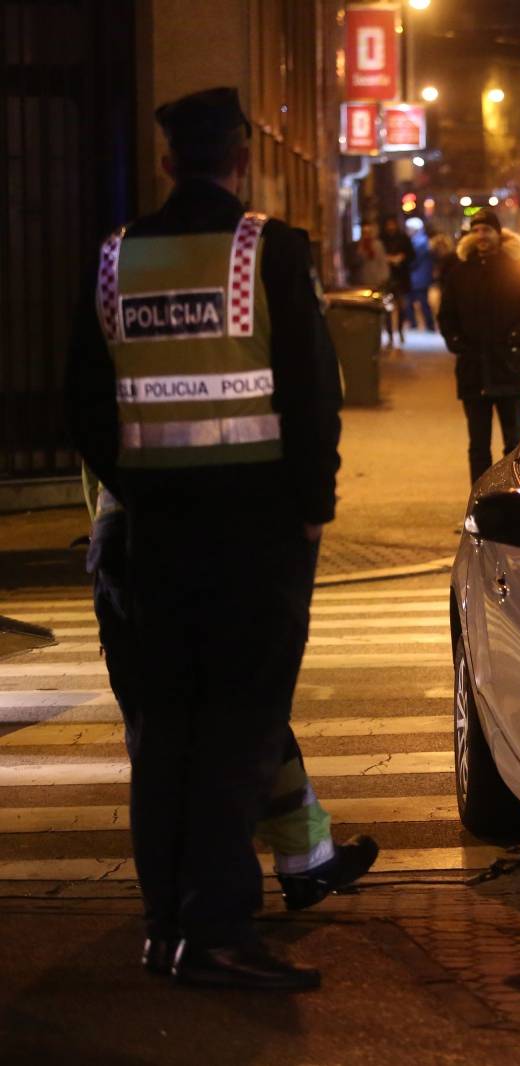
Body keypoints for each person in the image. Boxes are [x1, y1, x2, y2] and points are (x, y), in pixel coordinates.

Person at [65, 86, 342, 991]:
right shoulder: (270, 250)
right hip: (256, 540)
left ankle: (164, 927)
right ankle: (220, 931)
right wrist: (312, 505)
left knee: (166, 734)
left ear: (166, 162)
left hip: (152, 538)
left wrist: (137, 487)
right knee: (239, 734)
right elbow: (309, 392)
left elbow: (84, 404)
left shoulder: (114, 260)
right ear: (243, 158)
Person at [85, 486, 378, 916]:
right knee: (239, 713)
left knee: (179, 731)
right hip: (191, 546)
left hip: (129, 544)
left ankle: (189, 904)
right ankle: (219, 914)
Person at [437, 209, 520, 484]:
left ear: (498, 234)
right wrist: (456, 343)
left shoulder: (518, 269)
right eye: (476, 231)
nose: (481, 236)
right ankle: (480, 502)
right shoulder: (460, 273)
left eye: (486, 230)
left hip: (508, 368)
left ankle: (512, 498)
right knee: (478, 445)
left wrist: (518, 337)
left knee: (513, 443)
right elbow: (446, 315)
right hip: (473, 371)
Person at [379, 215, 415, 348]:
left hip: (401, 277)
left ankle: (399, 331)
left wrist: (401, 258)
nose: (391, 227)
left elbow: (412, 255)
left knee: (401, 306)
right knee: (388, 307)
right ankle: (389, 334)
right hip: (387, 278)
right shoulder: (382, 239)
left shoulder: (403, 239)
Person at [404, 217, 435, 332]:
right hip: (419, 277)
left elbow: (413, 260)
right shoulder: (422, 242)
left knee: (420, 301)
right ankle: (418, 323)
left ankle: (426, 324)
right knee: (415, 302)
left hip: (418, 278)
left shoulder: (419, 243)